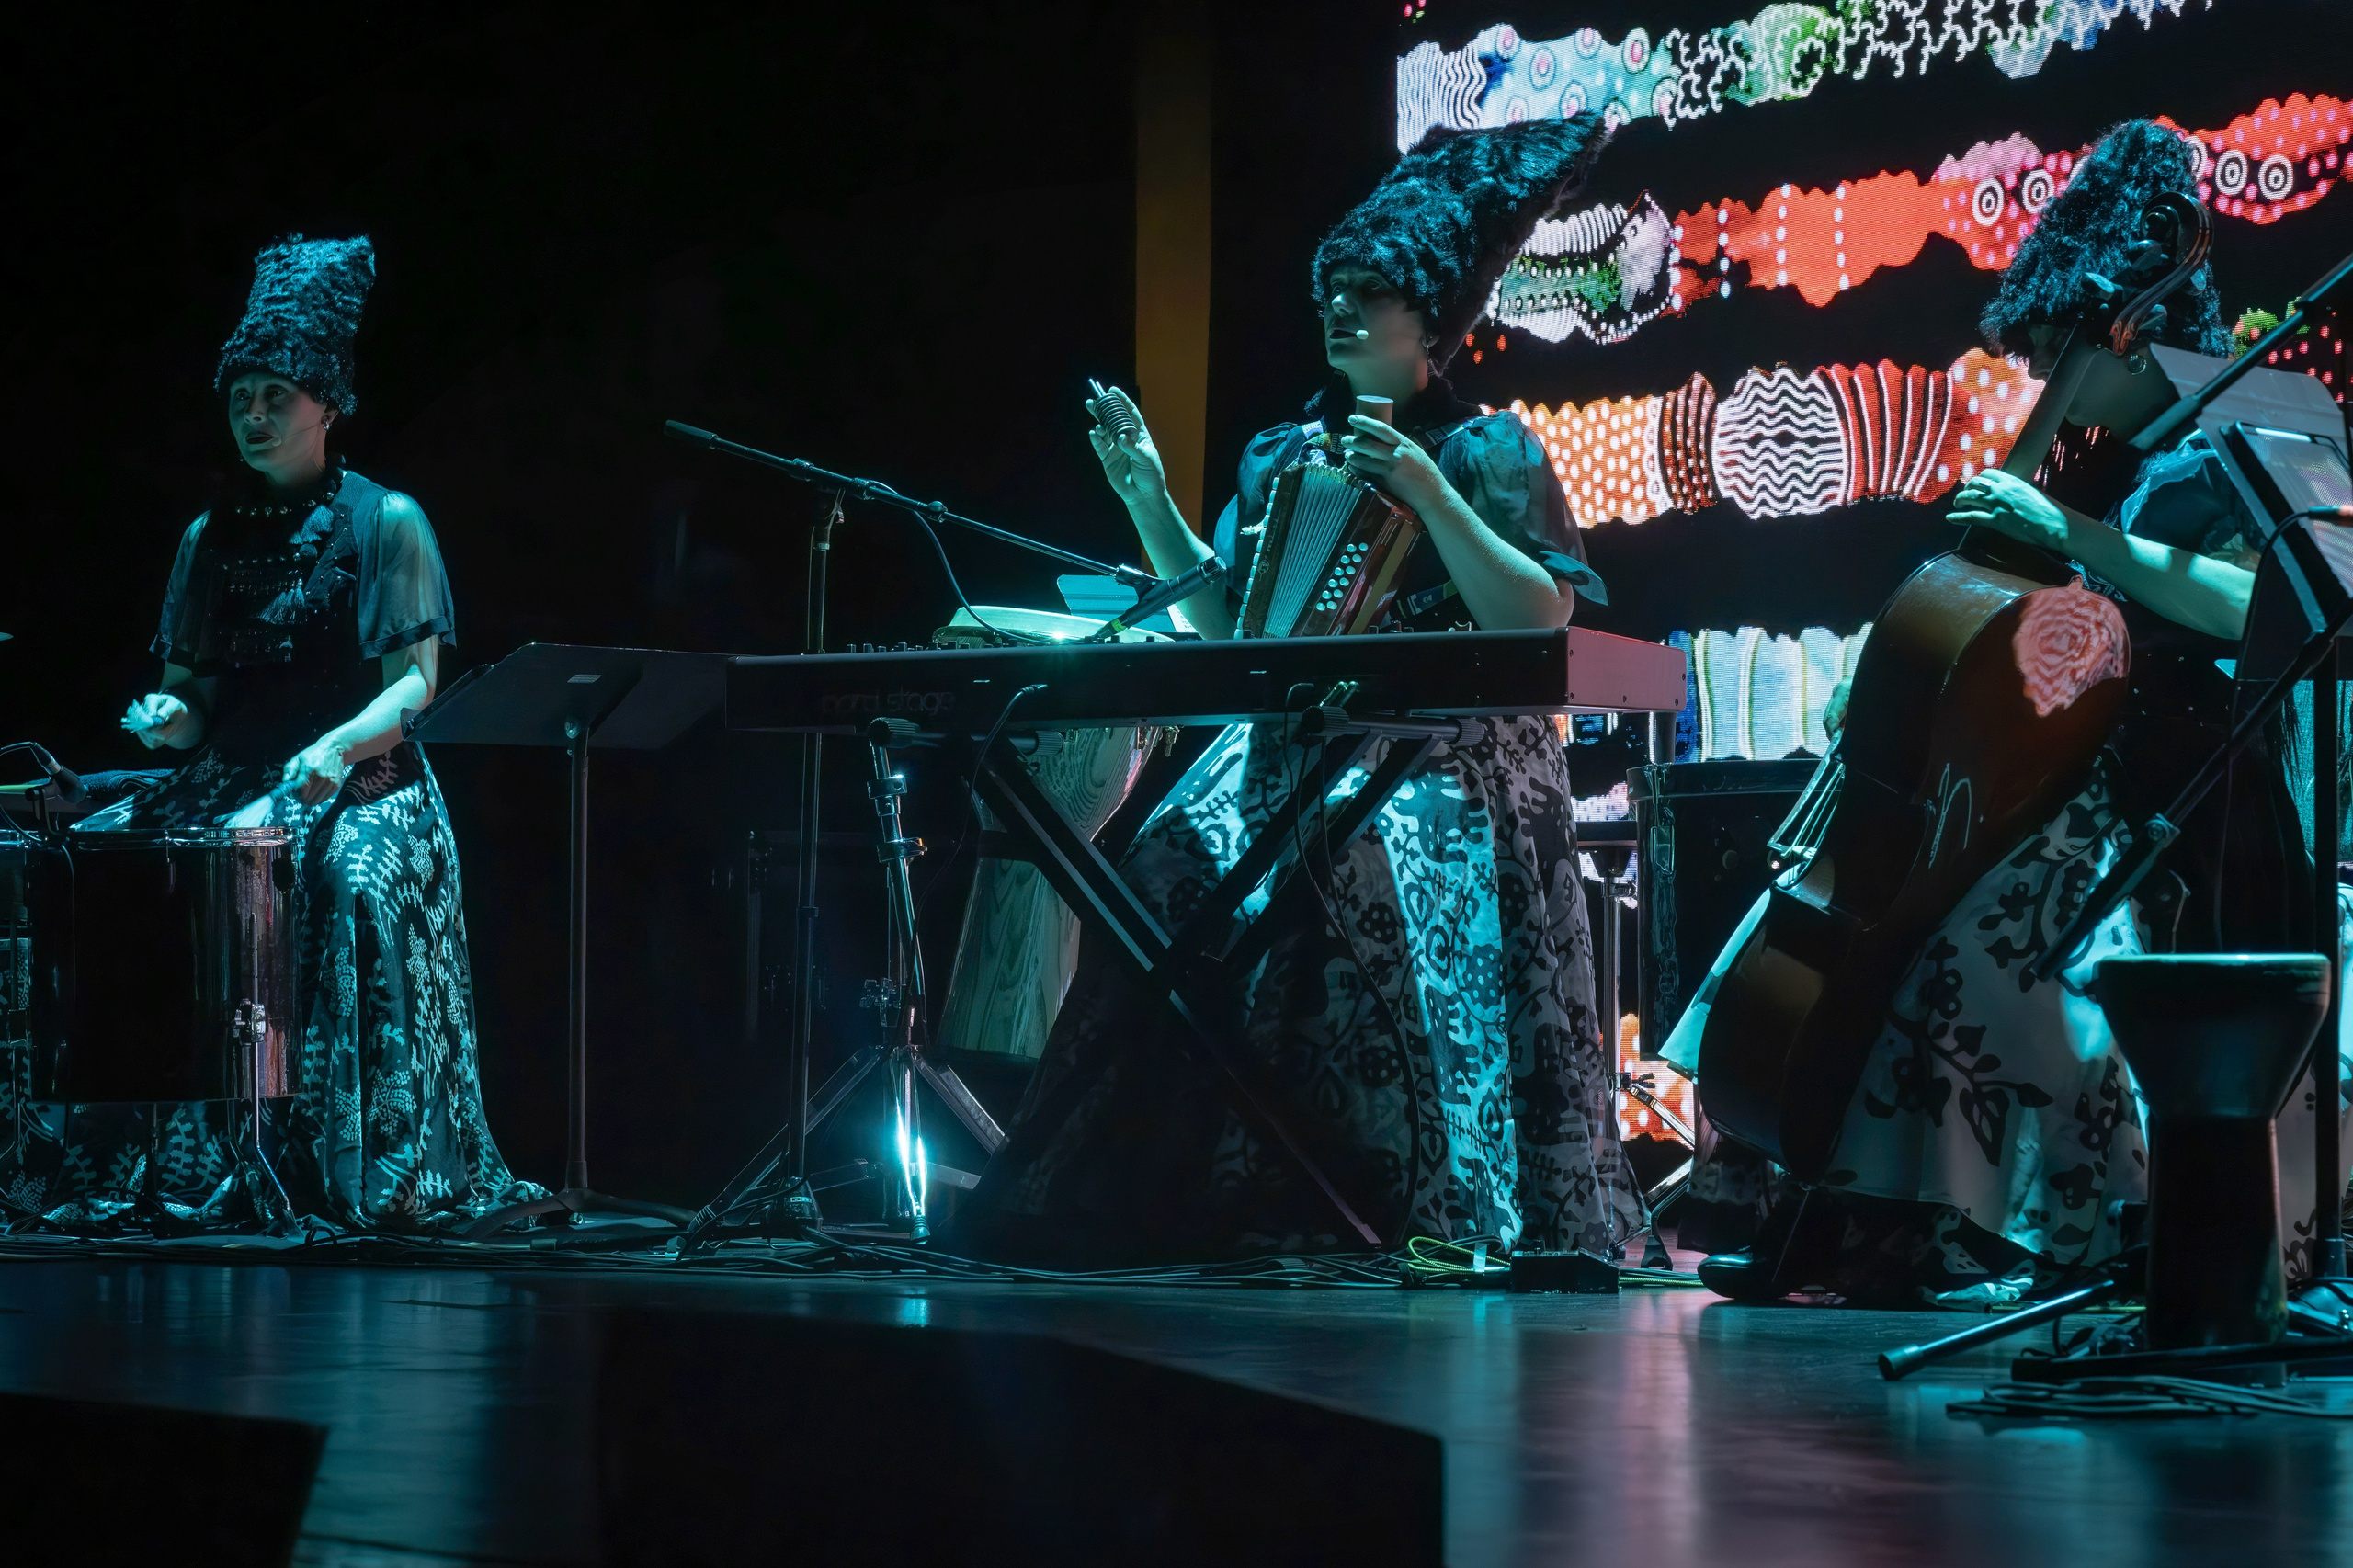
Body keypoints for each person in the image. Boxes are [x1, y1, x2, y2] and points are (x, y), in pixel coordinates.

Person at [1689, 120, 2352, 1304]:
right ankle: (1850, 1214)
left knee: (1992, 939)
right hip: (2055, 764)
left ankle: (2017, 1221)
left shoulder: (2221, 444)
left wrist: (2077, 540)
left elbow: (2276, 600)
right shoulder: (2106, 453)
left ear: (2130, 325)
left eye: (2060, 348)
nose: (2049, 378)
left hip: (2181, 784)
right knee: (1895, 912)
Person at [957, 119, 1636, 1262]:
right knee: (1163, 864)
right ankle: (1170, 1178)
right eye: (1333, 290)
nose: (1340, 311)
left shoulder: (1485, 451)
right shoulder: (1283, 453)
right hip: (1294, 736)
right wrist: (1145, 498)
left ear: (1431, 318)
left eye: (1370, 294)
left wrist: (1426, 488)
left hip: (1438, 750)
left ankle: (1364, 1189)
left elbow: (1538, 614)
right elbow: (1227, 629)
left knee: (1344, 853)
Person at [3, 236, 540, 1232]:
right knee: (105, 858)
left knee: (343, 878)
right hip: (238, 768)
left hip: (369, 772)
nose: (255, 415)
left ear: (327, 405)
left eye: (276, 397)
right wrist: (170, 717)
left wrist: (332, 752)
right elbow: (188, 698)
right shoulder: (210, 538)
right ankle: (149, 1158)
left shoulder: (389, 521)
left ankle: (345, 1160)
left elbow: (415, 685)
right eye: (242, 396)